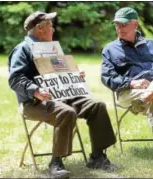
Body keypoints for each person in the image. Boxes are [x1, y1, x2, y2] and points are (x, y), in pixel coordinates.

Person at [8, 11, 116, 178]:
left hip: (63, 97)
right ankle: (56, 162)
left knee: (97, 106)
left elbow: (60, 73)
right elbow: (15, 79)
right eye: (51, 26)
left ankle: (97, 157)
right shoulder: (22, 49)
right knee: (66, 111)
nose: (54, 29)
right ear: (40, 29)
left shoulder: (51, 48)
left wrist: (74, 76)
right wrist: (35, 90)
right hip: (34, 103)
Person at [101, 7, 153, 166]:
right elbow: (107, 77)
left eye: (123, 25)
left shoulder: (152, 45)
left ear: (135, 25)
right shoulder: (110, 49)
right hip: (130, 92)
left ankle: (150, 94)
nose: (119, 28)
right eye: (116, 25)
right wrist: (131, 82)